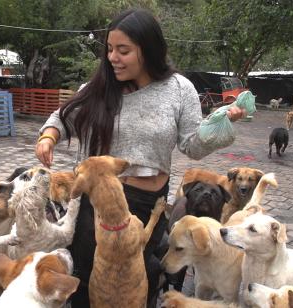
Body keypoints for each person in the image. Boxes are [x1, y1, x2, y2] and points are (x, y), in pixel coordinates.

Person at [35, 8, 244, 308]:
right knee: (87, 274)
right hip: (96, 206)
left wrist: (221, 125)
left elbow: (192, 146)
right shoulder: (98, 88)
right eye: (109, 49)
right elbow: (62, 117)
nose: (112, 58)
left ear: (147, 50)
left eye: (123, 50)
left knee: (133, 281)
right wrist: (48, 136)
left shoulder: (179, 90)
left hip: (146, 206)